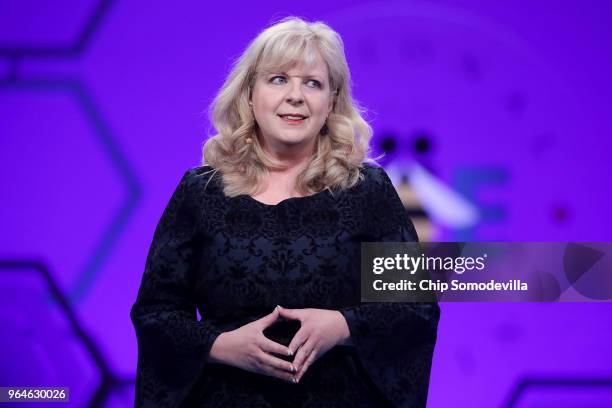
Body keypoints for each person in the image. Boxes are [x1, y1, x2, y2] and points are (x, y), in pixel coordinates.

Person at [130, 17, 440, 407]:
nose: (296, 95)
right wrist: (222, 345)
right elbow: (156, 314)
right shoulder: (200, 192)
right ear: (248, 95)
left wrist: (342, 326)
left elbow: (414, 311)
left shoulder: (368, 192)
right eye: (278, 79)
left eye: (313, 83)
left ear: (331, 102)